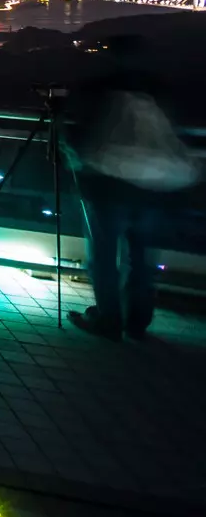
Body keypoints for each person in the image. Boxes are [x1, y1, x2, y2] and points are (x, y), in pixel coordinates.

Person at [63, 35, 198, 341]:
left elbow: (81, 132)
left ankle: (108, 319)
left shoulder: (100, 87)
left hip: (109, 186)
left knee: (104, 254)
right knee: (141, 256)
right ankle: (137, 320)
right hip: (155, 187)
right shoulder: (160, 88)